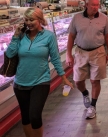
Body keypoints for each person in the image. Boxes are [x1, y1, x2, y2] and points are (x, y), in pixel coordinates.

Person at [6, 8, 73, 137]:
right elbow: (9, 54)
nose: (28, 23)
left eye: (32, 20)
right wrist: (15, 37)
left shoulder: (49, 36)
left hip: (40, 81)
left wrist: (63, 77)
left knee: (35, 116)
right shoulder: (20, 36)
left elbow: (55, 58)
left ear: (40, 20)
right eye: (26, 20)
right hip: (20, 82)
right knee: (25, 117)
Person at [66, 0, 108, 120]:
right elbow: (71, 36)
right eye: (93, 5)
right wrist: (68, 54)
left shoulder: (104, 18)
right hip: (81, 52)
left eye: (97, 5)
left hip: (98, 52)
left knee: (95, 80)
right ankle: (84, 93)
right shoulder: (77, 18)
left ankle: (92, 106)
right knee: (78, 80)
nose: (95, 7)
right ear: (86, 5)